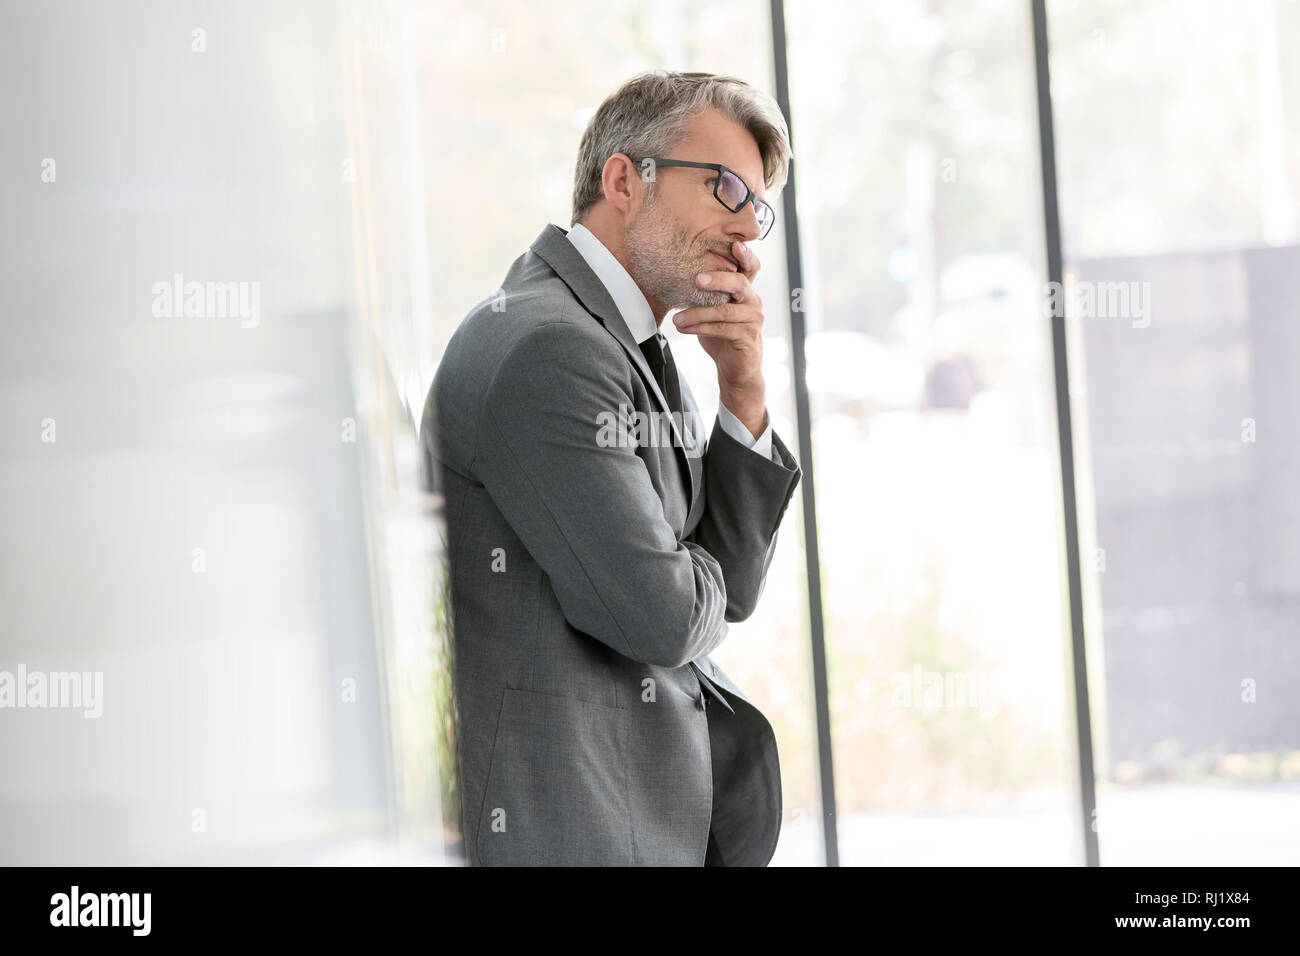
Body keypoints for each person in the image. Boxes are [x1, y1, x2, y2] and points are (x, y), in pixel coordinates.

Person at [421, 70, 801, 866]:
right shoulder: (550, 348)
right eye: (725, 187)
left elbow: (724, 590)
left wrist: (743, 390)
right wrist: (686, 573)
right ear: (625, 179)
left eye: (755, 206)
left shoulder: (631, 347)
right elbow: (662, 617)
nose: (746, 234)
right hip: (579, 832)